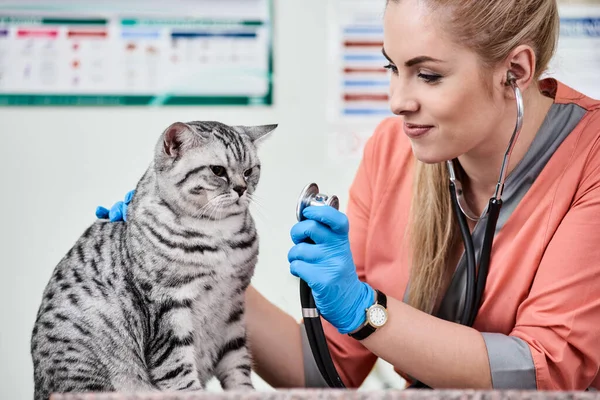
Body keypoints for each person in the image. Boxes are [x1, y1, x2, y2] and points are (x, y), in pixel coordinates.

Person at [98, 0, 600, 390]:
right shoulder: (392, 151)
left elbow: (546, 373)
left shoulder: (590, 159)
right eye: (392, 68)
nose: (398, 101)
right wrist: (195, 266)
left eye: (427, 74)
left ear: (514, 70)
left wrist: (367, 311)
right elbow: (328, 373)